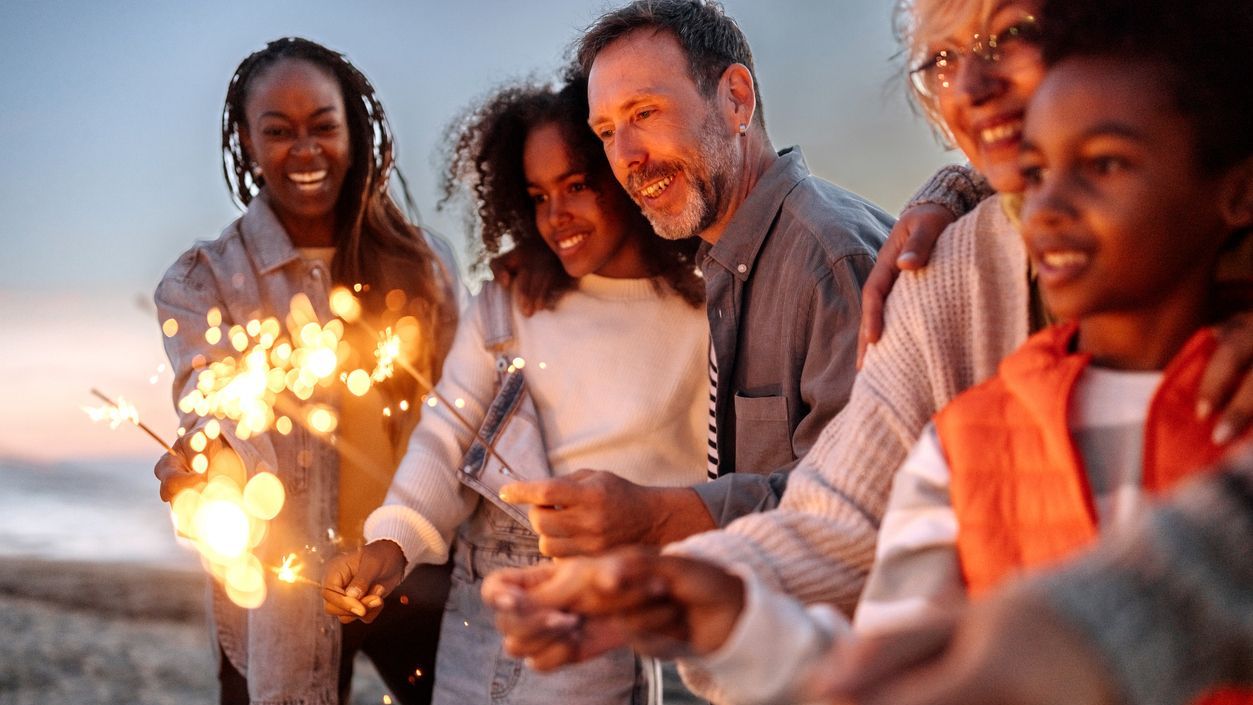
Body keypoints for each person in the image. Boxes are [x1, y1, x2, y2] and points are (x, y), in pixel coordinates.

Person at [482, 0, 1253, 699]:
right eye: (941, 60)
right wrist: (694, 591)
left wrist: (667, 530)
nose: (973, 84)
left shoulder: (843, 260)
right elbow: (852, 532)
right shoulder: (960, 396)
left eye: (1012, 34)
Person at [320, 74, 709, 705]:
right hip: (479, 609)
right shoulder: (508, 303)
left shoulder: (700, 316)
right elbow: (445, 436)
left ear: (622, 172)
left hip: (600, 620)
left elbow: (717, 483)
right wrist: (391, 544)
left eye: (577, 185)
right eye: (537, 196)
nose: (557, 218)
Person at [153, 37, 459, 705]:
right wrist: (218, 467)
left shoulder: (425, 265)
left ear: (355, 126)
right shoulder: (203, 281)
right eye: (278, 131)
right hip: (284, 589)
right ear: (245, 139)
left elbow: (461, 415)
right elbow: (215, 398)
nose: (305, 149)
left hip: (417, 566)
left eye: (323, 126)